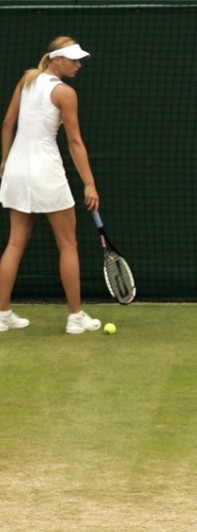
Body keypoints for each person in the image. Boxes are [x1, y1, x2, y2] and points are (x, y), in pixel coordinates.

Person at [0, 36, 102, 334]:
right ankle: (75, 318)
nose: (78, 65)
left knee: (15, 242)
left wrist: (5, 160)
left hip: (17, 169)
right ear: (57, 59)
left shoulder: (27, 80)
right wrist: (89, 183)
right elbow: (74, 141)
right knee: (68, 243)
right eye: (73, 60)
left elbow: (8, 122)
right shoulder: (65, 93)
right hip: (45, 172)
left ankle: (2, 314)